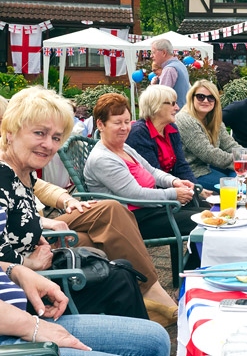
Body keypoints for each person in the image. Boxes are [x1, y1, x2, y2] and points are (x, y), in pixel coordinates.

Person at [0, 93, 179, 326]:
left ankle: (144, 324)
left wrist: (61, 205)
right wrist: (27, 263)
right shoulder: (5, 174)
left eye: (56, 137)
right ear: (10, 131)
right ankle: (149, 317)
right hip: (23, 294)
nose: (49, 144)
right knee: (119, 271)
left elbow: (24, 206)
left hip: (41, 262)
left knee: (118, 265)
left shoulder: (24, 172)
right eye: (39, 133)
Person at [84, 93, 203, 261]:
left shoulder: (123, 147)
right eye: (117, 123)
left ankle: (194, 269)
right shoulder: (102, 159)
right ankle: (192, 273)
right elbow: (135, 195)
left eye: (127, 122)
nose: (124, 128)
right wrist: (173, 194)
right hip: (132, 220)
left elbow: (152, 171)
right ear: (100, 124)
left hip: (152, 208)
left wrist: (174, 181)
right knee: (205, 223)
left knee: (209, 212)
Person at [0, 250, 170, 355]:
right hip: (13, 331)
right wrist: (31, 325)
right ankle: (153, 292)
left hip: (18, 314)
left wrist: (16, 271)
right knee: (119, 275)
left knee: (156, 339)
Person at [126, 85, 208, 194]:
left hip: (175, 187)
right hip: (156, 196)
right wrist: (186, 192)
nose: (177, 108)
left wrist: (196, 189)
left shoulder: (171, 128)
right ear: (157, 105)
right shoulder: (139, 133)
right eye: (173, 103)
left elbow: (181, 165)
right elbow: (153, 176)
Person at [176, 80, 241, 191]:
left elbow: (229, 145)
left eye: (211, 98)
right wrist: (241, 162)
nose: (206, 101)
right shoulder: (185, 120)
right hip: (192, 172)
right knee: (236, 186)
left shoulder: (213, 119)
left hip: (209, 167)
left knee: (242, 178)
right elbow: (208, 153)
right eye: (201, 97)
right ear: (192, 98)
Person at [150, 39, 190, 108]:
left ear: (164, 53)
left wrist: (152, 86)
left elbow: (161, 98)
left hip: (174, 115)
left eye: (153, 52)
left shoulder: (169, 69)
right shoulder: (180, 65)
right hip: (183, 112)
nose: (151, 56)